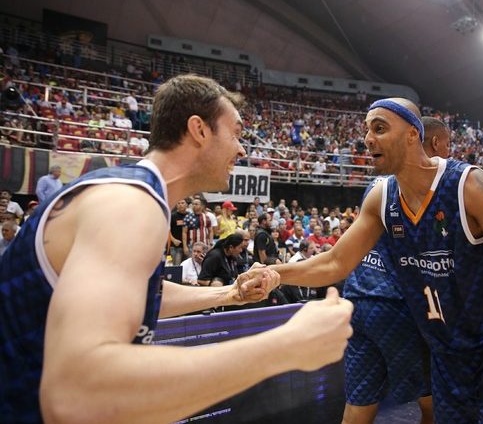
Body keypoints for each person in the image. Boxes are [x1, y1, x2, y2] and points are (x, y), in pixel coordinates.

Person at [0, 74, 354, 423]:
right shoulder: (129, 206)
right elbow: (77, 394)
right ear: (199, 130)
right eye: (236, 133)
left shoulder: (132, 193)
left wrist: (230, 294)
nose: (243, 149)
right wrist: (286, 346)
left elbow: (138, 292)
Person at [272, 98, 483, 424]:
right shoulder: (382, 197)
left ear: (411, 134)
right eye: (366, 130)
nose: (367, 138)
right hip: (447, 356)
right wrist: (273, 273)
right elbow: (335, 262)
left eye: (379, 128)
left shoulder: (468, 185)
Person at [341, 116, 452, 424]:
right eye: (447, 144)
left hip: (357, 298)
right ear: (430, 143)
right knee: (433, 403)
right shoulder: (419, 188)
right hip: (395, 305)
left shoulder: (374, 186)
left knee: (357, 406)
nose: (449, 151)